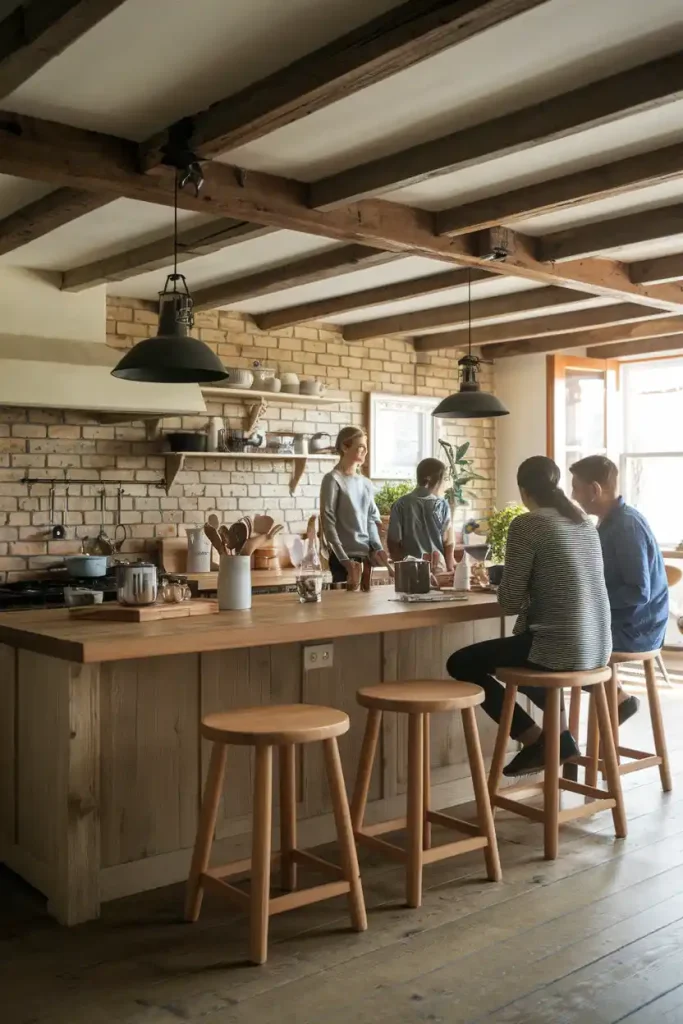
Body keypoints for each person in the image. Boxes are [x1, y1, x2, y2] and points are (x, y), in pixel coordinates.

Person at [447, 455, 611, 777]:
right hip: (597, 647)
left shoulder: (526, 524)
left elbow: (509, 602)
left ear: (523, 490)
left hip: (557, 648)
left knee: (461, 663)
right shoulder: (583, 524)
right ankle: (560, 739)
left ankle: (536, 739)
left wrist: (501, 581)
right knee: (530, 664)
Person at [570, 455, 669, 725]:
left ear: (595, 490)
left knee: (559, 645)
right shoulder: (609, 523)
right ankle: (615, 698)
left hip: (638, 629)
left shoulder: (626, 525)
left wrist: (591, 604)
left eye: (576, 488)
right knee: (557, 641)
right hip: (625, 622)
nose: (573, 495)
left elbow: (638, 592)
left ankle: (619, 699)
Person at [320, 426, 385, 584]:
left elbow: (370, 519)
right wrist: (344, 560)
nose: (365, 451)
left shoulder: (365, 483)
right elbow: (328, 523)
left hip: (365, 558)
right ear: (345, 447)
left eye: (366, 448)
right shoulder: (332, 480)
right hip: (343, 560)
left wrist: (378, 548)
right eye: (361, 447)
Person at [386, 457, 455, 570]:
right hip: (438, 568)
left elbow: (393, 542)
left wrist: (400, 568)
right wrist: (450, 568)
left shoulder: (400, 504)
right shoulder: (442, 505)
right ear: (428, 480)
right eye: (442, 479)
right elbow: (448, 542)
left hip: (410, 569)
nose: (444, 485)